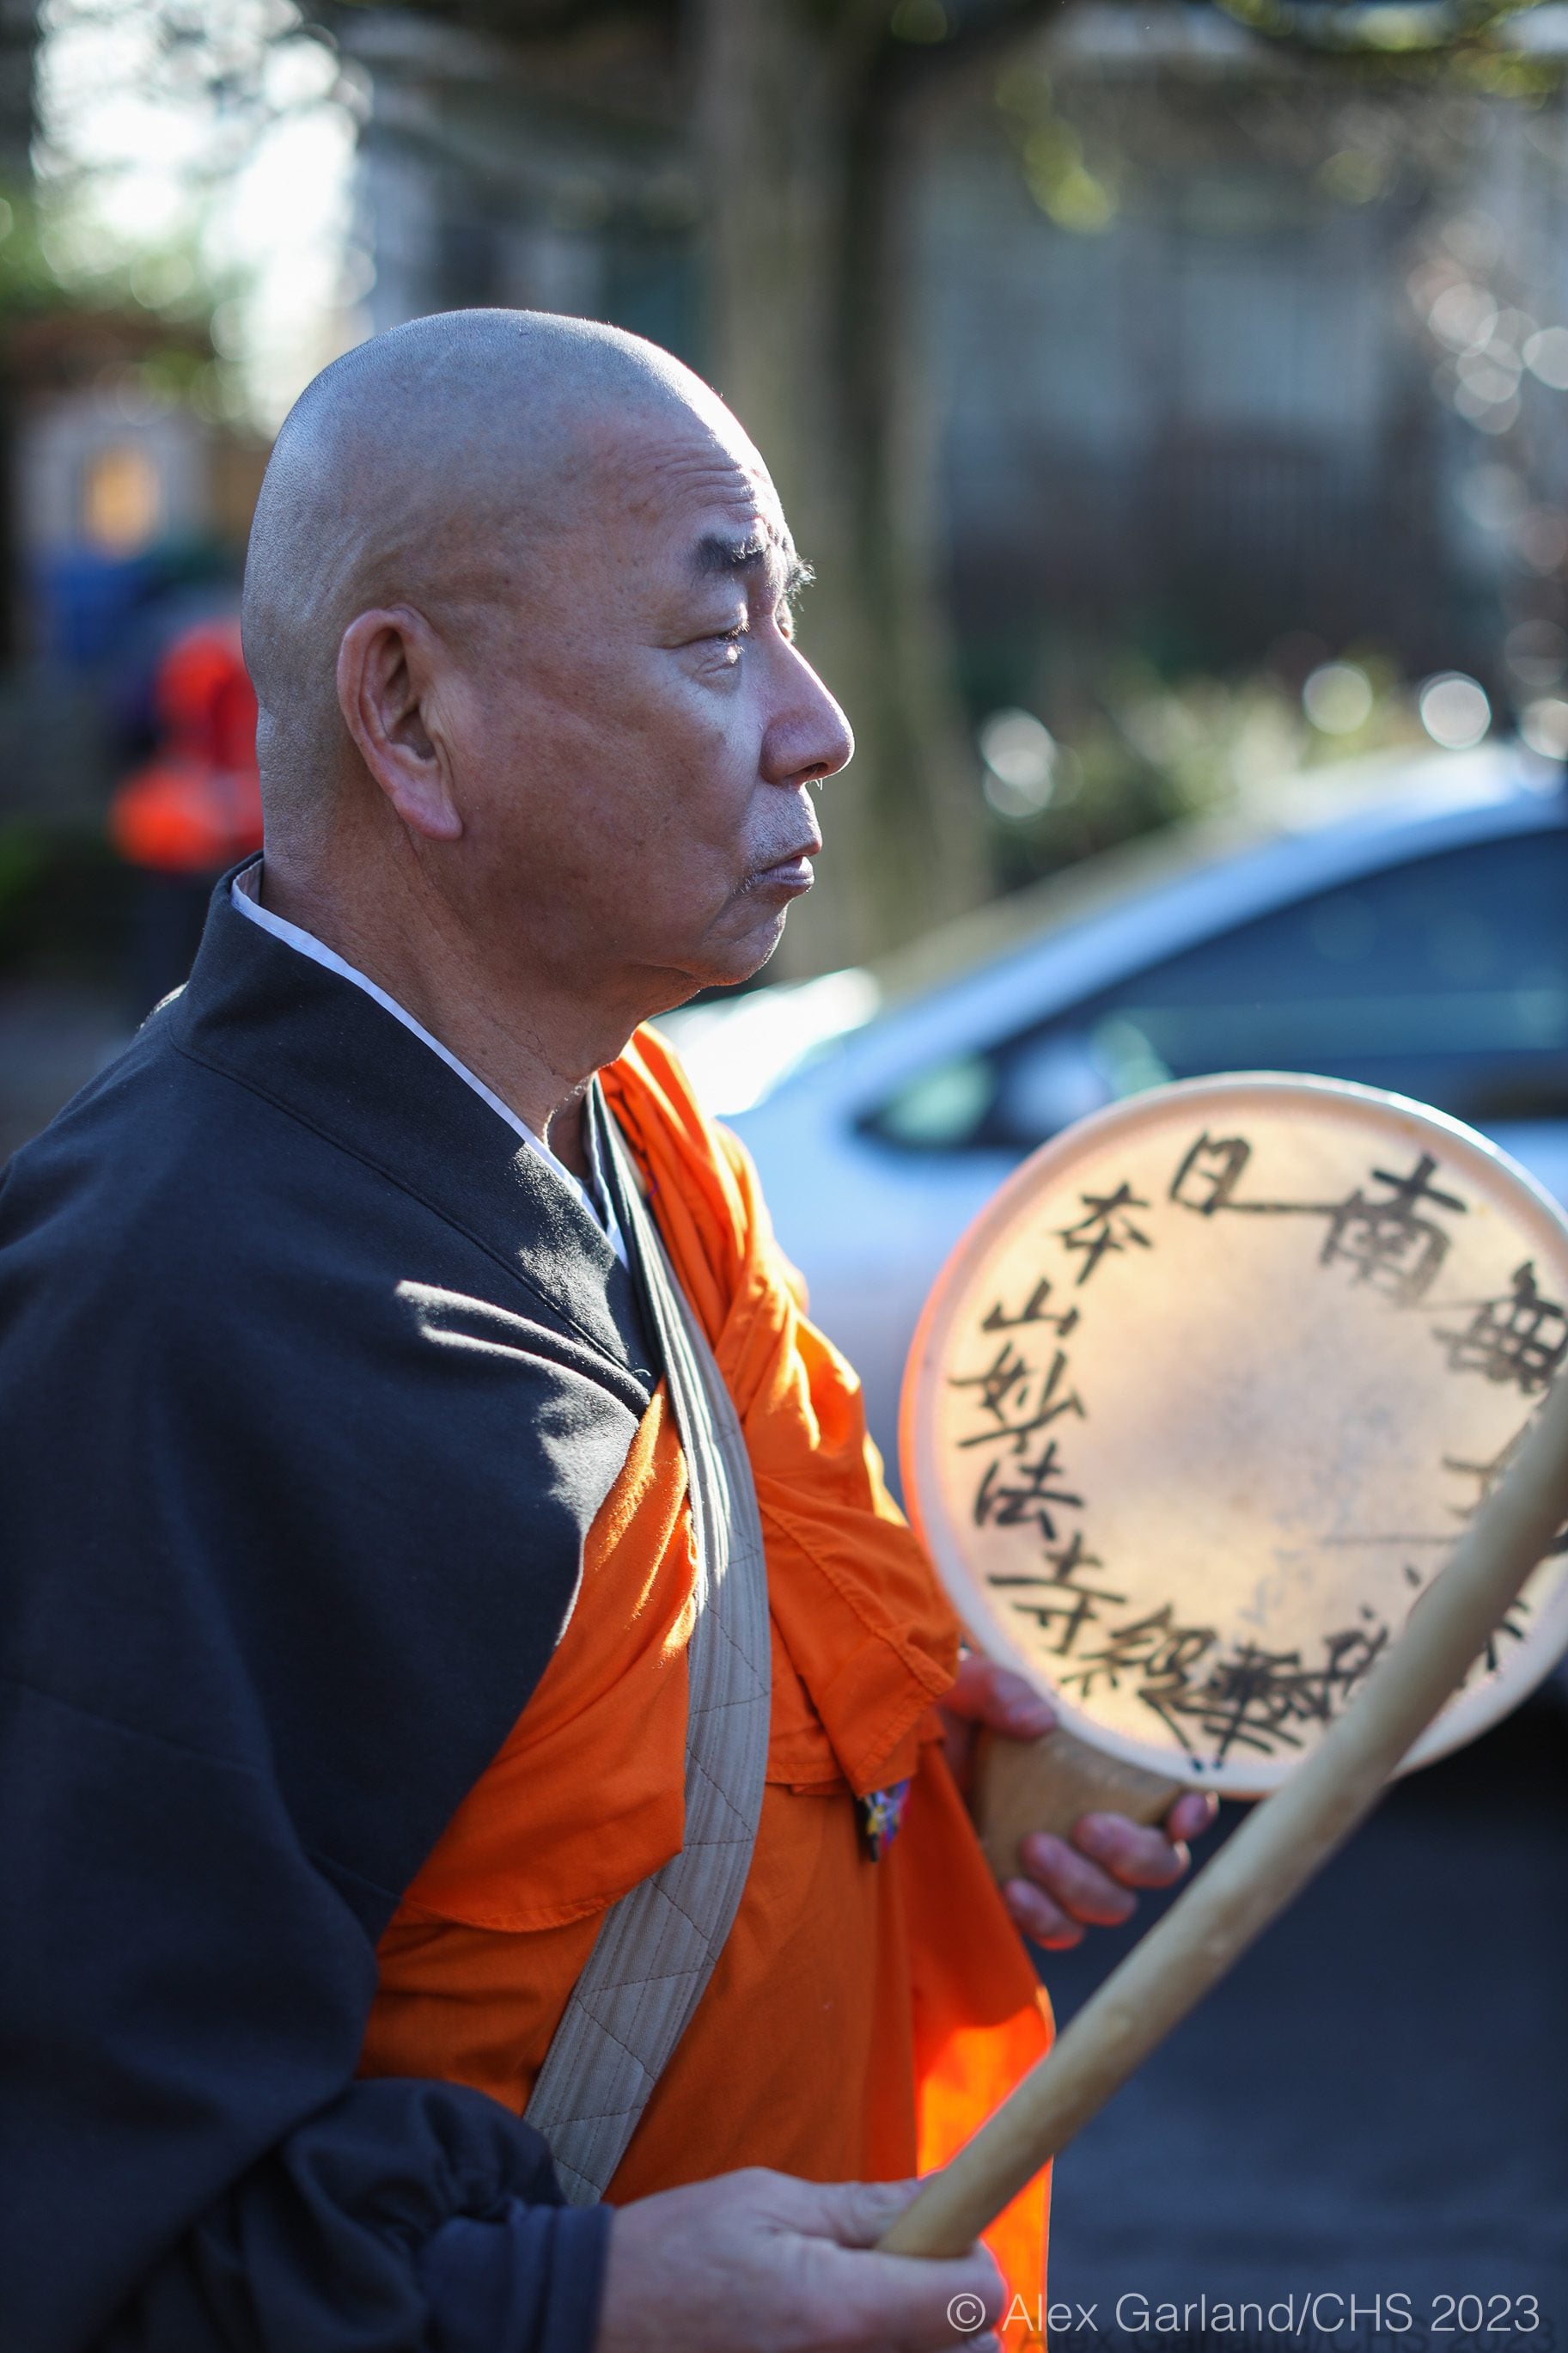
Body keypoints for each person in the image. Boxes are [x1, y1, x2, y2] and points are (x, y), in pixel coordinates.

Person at [0, 312, 1213, 2353]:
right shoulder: (171, 1317)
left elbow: (665, 1733)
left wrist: (933, 1770)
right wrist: (581, 2299)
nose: (817, 725)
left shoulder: (633, 1130)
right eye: (717, 637)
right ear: (408, 712)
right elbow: (70, 2228)